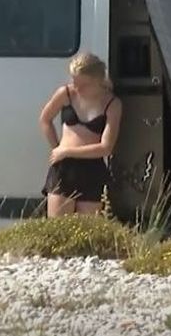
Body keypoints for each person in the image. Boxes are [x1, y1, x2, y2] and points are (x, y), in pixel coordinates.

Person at [38, 53, 123, 217]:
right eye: (74, 82)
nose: (77, 88)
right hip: (64, 166)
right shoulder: (66, 93)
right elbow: (45, 119)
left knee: (87, 229)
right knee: (59, 228)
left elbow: (106, 147)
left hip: (91, 168)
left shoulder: (112, 104)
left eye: (83, 84)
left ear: (97, 80)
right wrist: (57, 147)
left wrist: (67, 151)